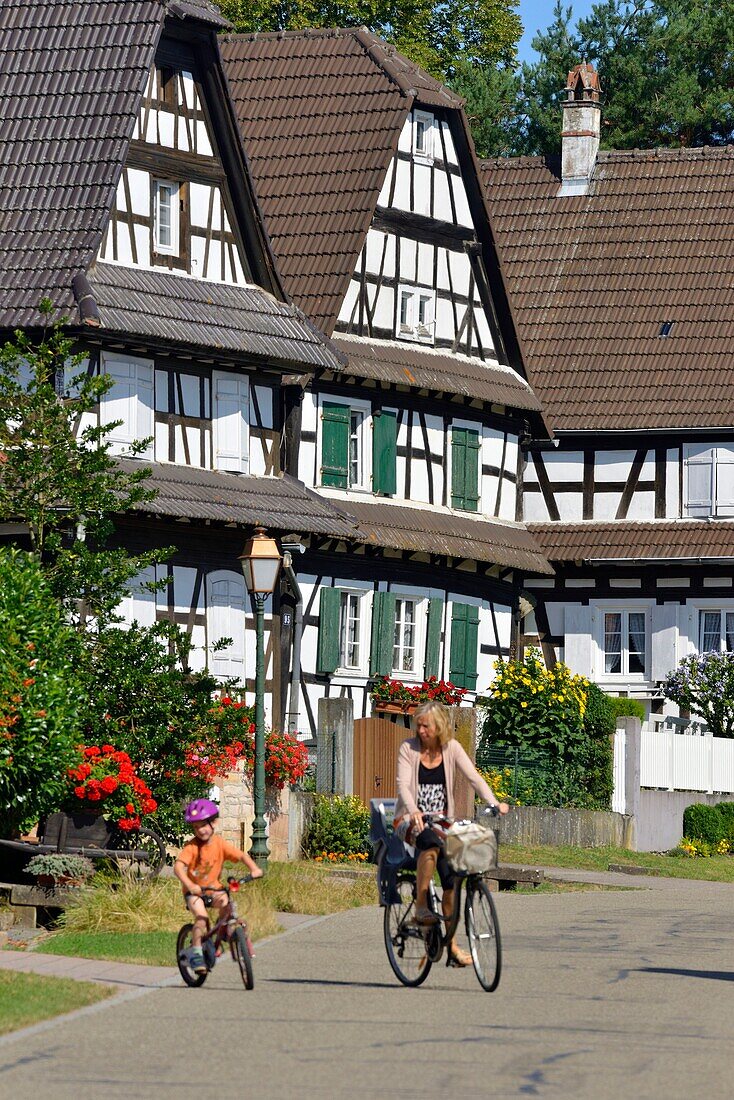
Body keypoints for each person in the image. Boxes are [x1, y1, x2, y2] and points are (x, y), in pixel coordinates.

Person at [394, 701, 509, 967]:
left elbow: (474, 778)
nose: (420, 730)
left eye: (426, 726)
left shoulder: (452, 749)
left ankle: (452, 945)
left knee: (452, 879)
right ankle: (422, 903)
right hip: (409, 819)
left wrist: (493, 802)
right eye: (418, 725)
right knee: (430, 843)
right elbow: (403, 786)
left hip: (444, 821)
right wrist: (414, 811)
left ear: (439, 728)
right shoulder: (408, 749)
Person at [174, 797, 263, 974]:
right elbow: (178, 867)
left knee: (228, 906)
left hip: (214, 888)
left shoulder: (219, 844)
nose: (200, 830)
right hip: (195, 892)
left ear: (214, 823)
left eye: (203, 825)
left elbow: (241, 856)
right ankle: (197, 953)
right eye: (196, 827)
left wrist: (254, 869)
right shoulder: (191, 847)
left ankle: (222, 935)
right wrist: (190, 885)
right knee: (201, 918)